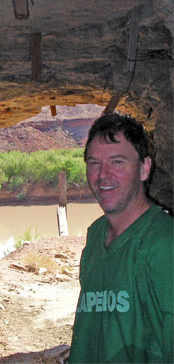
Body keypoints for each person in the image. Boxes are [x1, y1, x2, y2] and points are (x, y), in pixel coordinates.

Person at [68, 113, 173, 364]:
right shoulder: (95, 236)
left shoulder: (164, 244)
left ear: (144, 168)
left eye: (117, 162)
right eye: (94, 163)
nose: (103, 175)